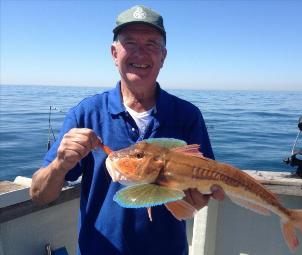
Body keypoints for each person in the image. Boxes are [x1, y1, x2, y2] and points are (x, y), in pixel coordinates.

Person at [30, 5, 224, 255]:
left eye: (151, 44)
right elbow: (39, 195)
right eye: (130, 43)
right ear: (114, 53)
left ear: (163, 56)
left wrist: (200, 196)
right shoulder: (85, 114)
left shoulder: (187, 116)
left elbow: (204, 185)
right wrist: (59, 164)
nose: (140, 53)